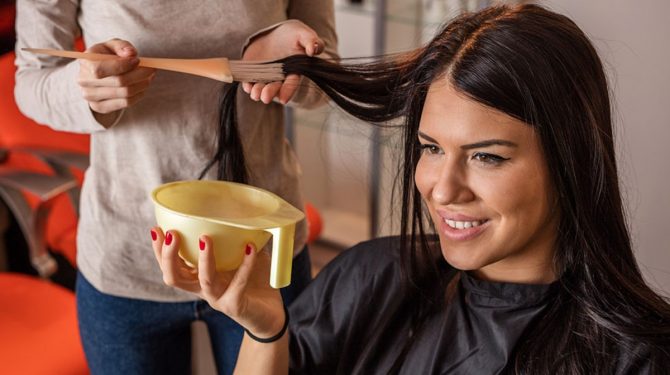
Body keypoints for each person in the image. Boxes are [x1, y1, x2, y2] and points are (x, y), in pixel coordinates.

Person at [152, 4, 670, 374]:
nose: (443, 190)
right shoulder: (369, 277)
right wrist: (266, 329)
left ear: (569, 159)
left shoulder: (639, 358)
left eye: (486, 156)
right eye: (430, 148)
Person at [13, 1, 338, 374]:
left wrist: (296, 66)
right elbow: (33, 79)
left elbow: (325, 74)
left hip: (258, 256)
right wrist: (85, 91)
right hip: (129, 257)